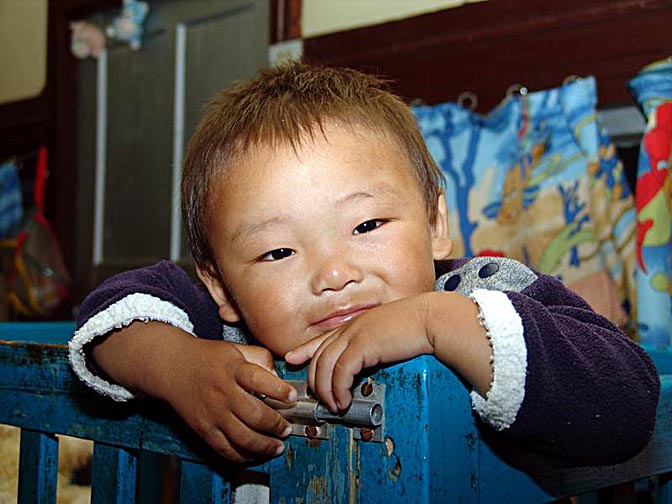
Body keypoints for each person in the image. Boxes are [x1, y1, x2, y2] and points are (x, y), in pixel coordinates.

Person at [69, 62, 659, 467]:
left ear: (435, 225)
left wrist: (439, 322)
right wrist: (183, 369)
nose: (334, 273)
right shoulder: (230, 334)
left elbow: (630, 404)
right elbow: (112, 316)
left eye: (367, 226)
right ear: (221, 286)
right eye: (278, 252)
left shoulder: (485, 291)